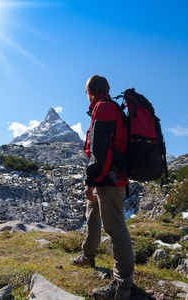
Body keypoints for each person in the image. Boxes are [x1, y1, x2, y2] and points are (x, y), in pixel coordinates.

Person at [70, 75, 134, 300]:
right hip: (108, 177)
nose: (85, 95)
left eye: (86, 91)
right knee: (93, 217)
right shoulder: (107, 107)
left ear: (91, 90)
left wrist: (91, 182)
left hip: (109, 179)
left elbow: (100, 149)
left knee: (116, 230)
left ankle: (122, 286)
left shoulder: (103, 108)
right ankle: (88, 256)